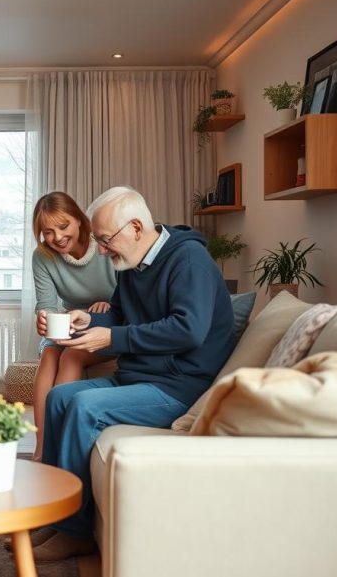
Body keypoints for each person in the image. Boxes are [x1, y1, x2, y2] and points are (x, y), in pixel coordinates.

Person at [31, 186, 235, 563]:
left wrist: (112, 336)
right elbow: (121, 316)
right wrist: (89, 319)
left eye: (106, 241)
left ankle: (75, 531)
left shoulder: (188, 261)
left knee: (83, 407)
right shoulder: (132, 265)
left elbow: (187, 329)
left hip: (178, 385)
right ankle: (56, 512)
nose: (103, 251)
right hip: (143, 377)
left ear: (137, 228)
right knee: (60, 397)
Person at [30, 192, 117, 459]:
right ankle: (42, 446)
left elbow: (132, 297)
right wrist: (44, 318)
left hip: (111, 323)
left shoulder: (105, 247)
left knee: (70, 357)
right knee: (48, 356)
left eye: (63, 226)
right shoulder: (42, 256)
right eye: (48, 232)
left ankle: (59, 446)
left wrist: (109, 305)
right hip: (70, 323)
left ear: (79, 220)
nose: (57, 237)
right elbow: (45, 303)